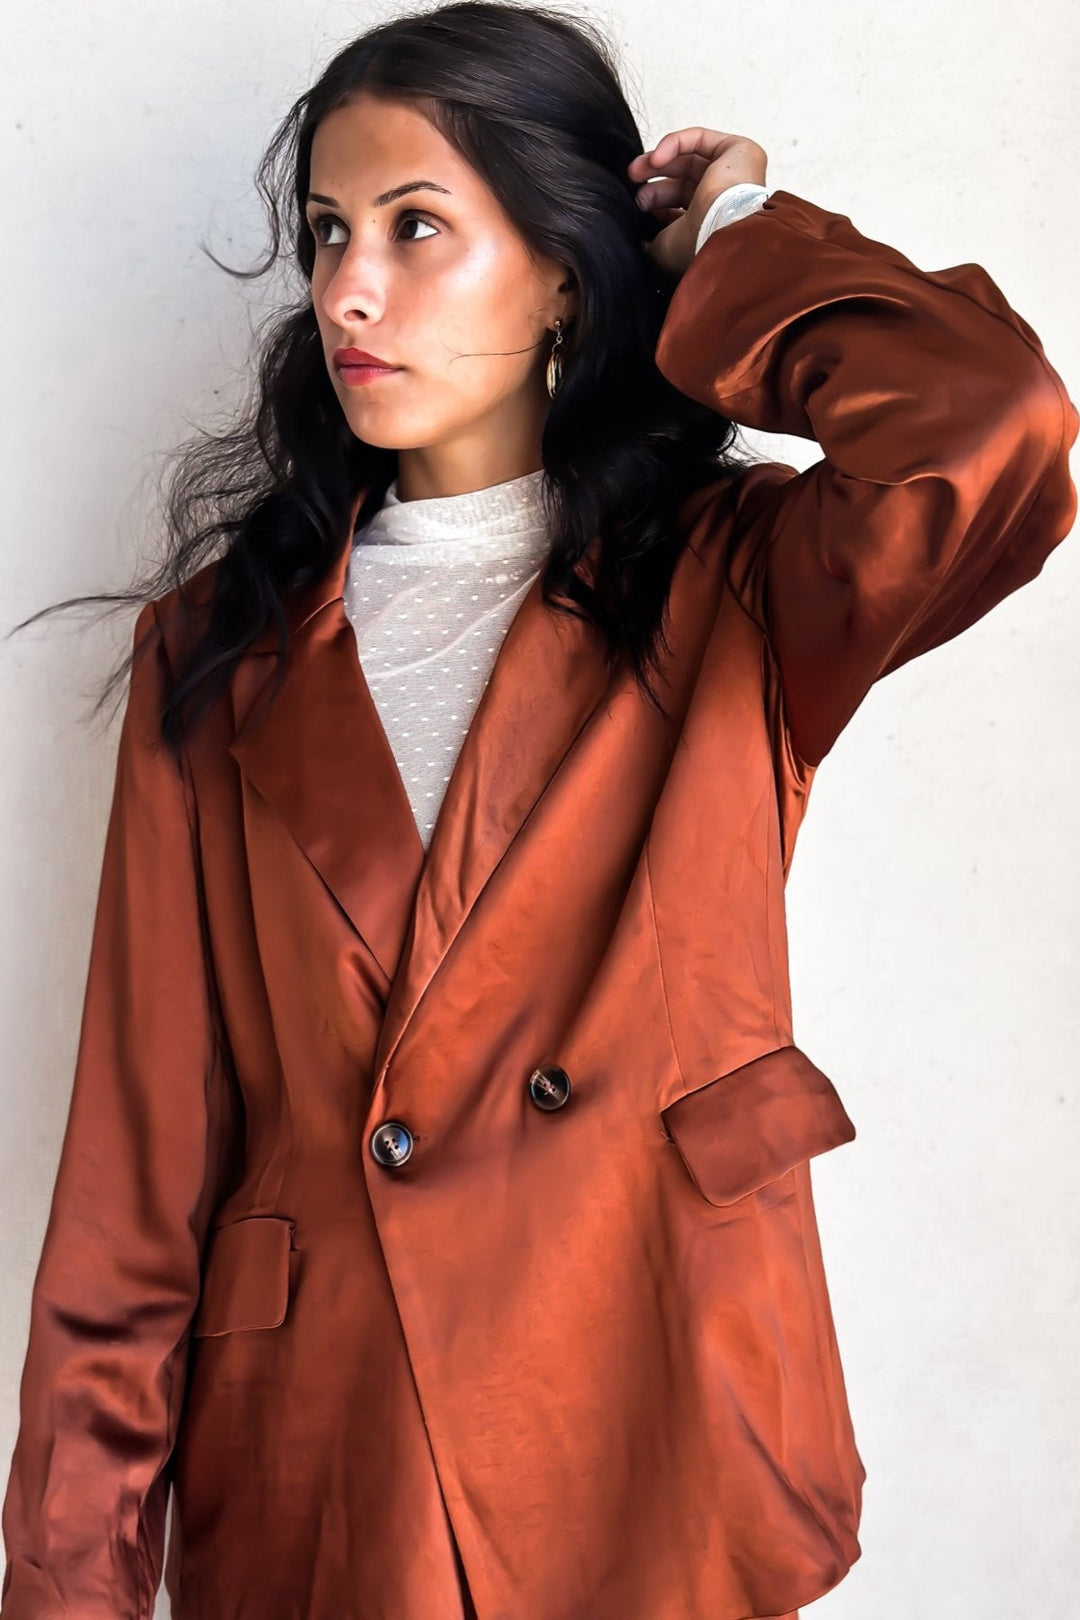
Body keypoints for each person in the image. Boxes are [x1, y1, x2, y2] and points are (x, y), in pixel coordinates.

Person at [1, 3, 1076, 1617]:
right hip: (332, 1460)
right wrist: (67, 1583)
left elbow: (992, 427)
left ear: (564, 272)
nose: (348, 290)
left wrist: (733, 233)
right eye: (328, 233)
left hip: (649, 1394)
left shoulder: (735, 583)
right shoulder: (218, 649)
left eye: (418, 228)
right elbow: (139, 1179)